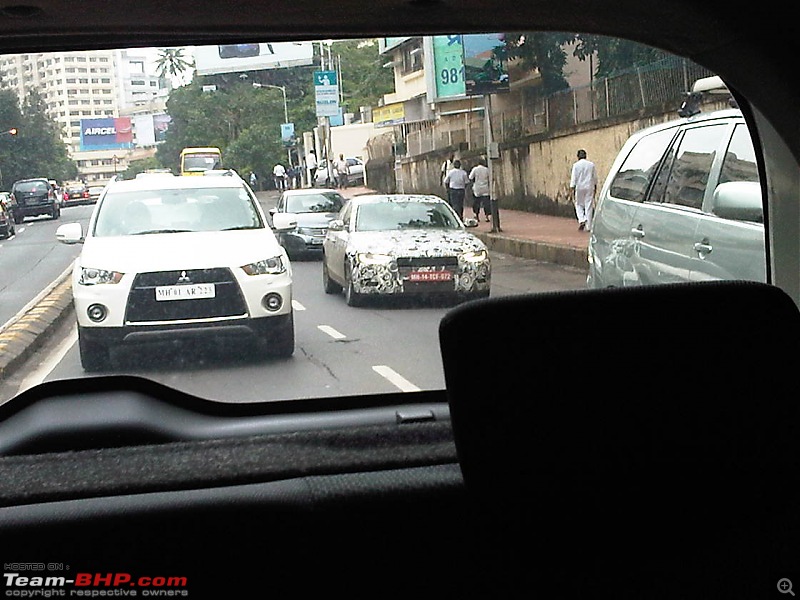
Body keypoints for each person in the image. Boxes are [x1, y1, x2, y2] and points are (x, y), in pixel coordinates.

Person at [570, 149, 597, 231]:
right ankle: (589, 226)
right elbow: (594, 177)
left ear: (578, 157)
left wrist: (572, 187)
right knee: (588, 206)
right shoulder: (591, 165)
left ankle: (582, 219)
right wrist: (595, 186)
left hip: (580, 187)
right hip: (589, 186)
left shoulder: (576, 165)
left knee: (578, 204)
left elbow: (574, 178)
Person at [468, 158, 491, 223]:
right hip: (485, 188)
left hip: (477, 188)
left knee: (476, 202)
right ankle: (487, 216)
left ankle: (476, 215)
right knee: (486, 202)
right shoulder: (487, 170)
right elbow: (490, 178)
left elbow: (470, 177)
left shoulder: (475, 169)